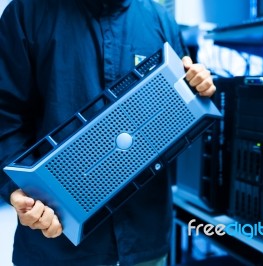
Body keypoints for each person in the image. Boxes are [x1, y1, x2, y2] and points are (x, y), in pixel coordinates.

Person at [0, 0, 216, 265]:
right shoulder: (27, 12)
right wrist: (17, 189)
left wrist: (198, 88)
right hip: (56, 243)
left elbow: (180, 111)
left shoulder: (159, 19)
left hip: (145, 240)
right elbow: (5, 118)